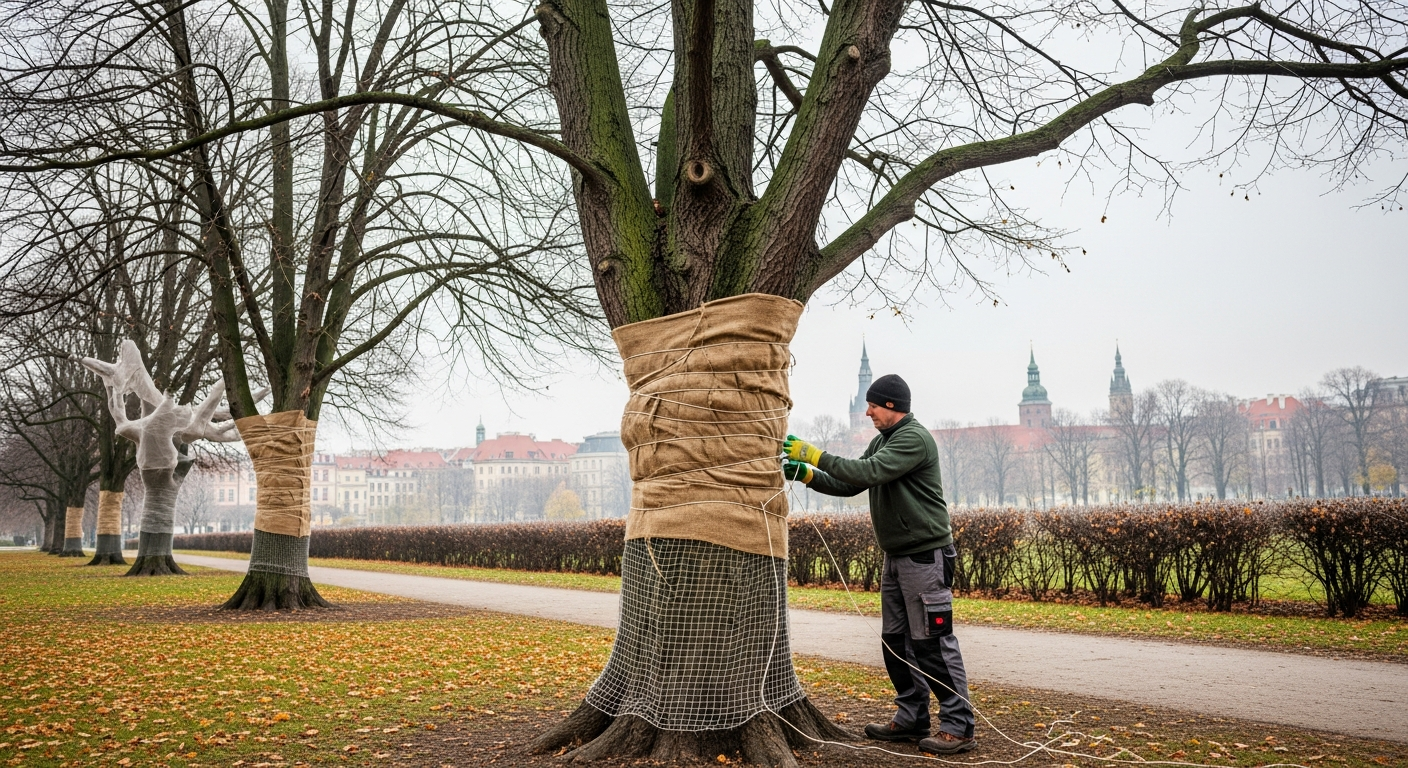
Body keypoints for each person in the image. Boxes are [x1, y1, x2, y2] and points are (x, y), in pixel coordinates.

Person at [783, 373, 975, 755]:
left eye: (872, 405)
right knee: (896, 642)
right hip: (896, 556)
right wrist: (808, 475)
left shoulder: (913, 439)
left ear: (891, 406)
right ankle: (911, 717)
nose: (867, 411)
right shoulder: (882, 440)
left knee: (932, 643)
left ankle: (959, 725)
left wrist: (815, 454)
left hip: (924, 556)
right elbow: (853, 483)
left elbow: (868, 473)